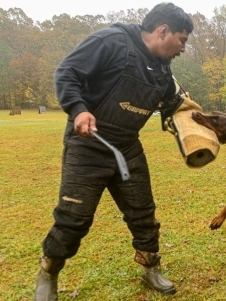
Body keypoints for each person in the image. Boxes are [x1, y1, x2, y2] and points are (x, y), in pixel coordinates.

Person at [33, 3, 193, 300]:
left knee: (143, 213)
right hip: (88, 146)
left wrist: (207, 127)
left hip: (127, 146)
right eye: (182, 40)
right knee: (73, 218)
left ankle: (150, 267)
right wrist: (78, 109)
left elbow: (177, 105)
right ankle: (48, 272)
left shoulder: (163, 70)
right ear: (163, 31)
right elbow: (66, 72)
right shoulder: (111, 41)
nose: (182, 49)